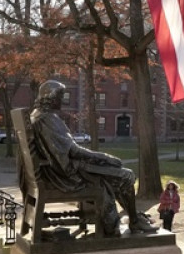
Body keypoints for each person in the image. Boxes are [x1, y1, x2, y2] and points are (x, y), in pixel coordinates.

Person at [27, 80, 155, 234]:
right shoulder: (48, 119)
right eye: (60, 96)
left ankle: (132, 220)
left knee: (118, 174)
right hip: (66, 175)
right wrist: (105, 158)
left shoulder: (37, 115)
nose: (62, 100)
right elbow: (74, 151)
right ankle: (129, 222)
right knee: (126, 175)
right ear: (51, 97)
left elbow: (67, 150)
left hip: (55, 171)